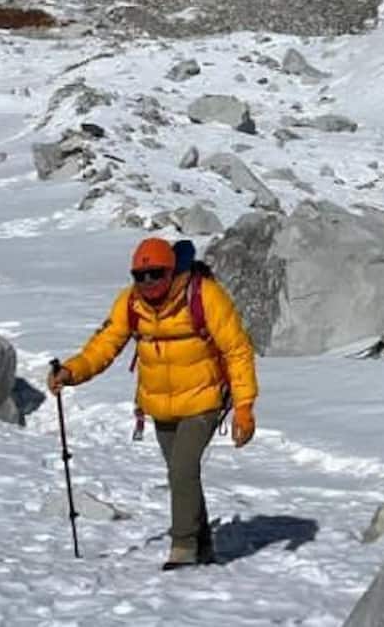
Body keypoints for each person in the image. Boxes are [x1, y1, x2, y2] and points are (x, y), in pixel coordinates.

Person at [49, 237, 259, 569]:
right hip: (160, 405)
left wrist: (244, 407)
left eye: (156, 274)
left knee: (182, 469)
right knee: (182, 475)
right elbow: (104, 345)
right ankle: (203, 545)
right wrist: (71, 371)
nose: (147, 282)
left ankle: (183, 547)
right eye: (140, 276)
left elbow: (237, 350)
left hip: (204, 399)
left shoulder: (204, 296)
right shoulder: (131, 303)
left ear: (171, 271)